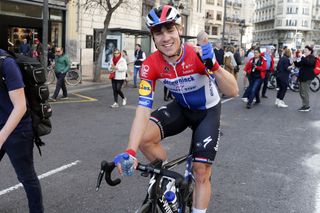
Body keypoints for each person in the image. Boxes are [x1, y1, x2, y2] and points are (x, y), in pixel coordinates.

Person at [112, 5, 238, 213]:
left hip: (207, 111)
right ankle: (167, 178)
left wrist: (214, 66)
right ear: (153, 37)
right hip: (181, 107)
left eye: (170, 30)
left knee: (200, 172)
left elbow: (233, 91)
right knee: (144, 138)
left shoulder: (196, 55)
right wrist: (130, 151)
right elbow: (143, 109)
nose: (165, 38)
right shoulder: (150, 65)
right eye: (158, 32)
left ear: (179, 29)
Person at [0, 48, 44, 213]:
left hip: (18, 130)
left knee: (27, 177)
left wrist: (1, 137)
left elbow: (20, 107)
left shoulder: (6, 64)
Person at [294, 45, 316, 112]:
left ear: (310, 51)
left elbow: (310, 63)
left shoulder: (312, 57)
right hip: (302, 77)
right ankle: (304, 105)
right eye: (304, 50)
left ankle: (306, 106)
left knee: (304, 92)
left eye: (306, 50)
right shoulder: (305, 57)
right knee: (301, 92)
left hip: (307, 78)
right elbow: (299, 64)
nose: (304, 51)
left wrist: (302, 57)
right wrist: (295, 60)